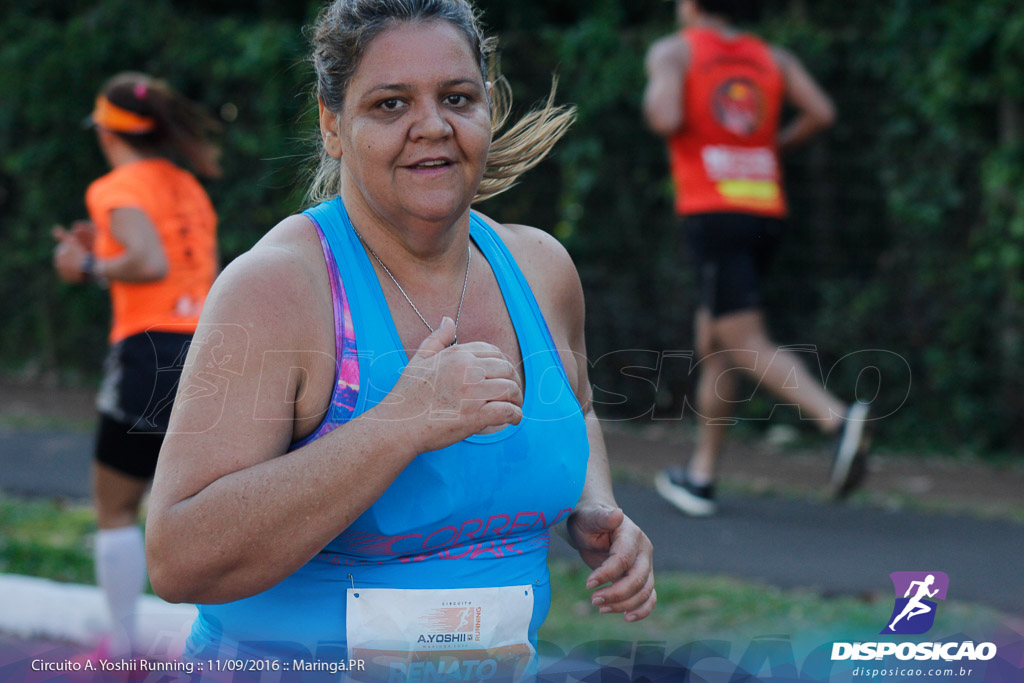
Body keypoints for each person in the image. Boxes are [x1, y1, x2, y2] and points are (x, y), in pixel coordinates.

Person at [145, 0, 656, 677]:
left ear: (487, 109)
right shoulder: (280, 290)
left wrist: (594, 505)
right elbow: (178, 557)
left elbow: (579, 409)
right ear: (333, 125)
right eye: (390, 105)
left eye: (457, 97)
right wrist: (401, 423)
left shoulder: (541, 269)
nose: (432, 126)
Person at [643, 0, 871, 517]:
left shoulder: (676, 50)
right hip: (764, 209)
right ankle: (701, 477)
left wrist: (667, 74)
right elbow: (822, 112)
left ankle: (836, 420)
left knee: (740, 339)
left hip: (713, 211)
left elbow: (665, 116)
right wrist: (770, 148)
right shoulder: (772, 58)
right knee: (716, 339)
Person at [51, 72, 221, 657]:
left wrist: (89, 267)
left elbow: (147, 262)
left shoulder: (115, 187)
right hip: (207, 348)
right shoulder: (188, 187)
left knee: (115, 504)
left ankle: (122, 650)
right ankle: (220, 645)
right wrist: (103, 253)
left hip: (149, 353)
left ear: (107, 130)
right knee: (202, 510)